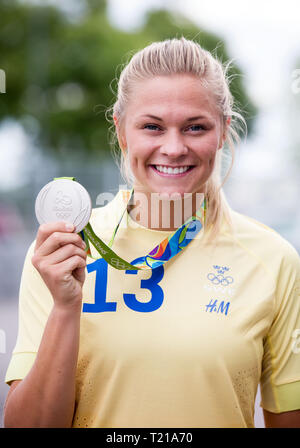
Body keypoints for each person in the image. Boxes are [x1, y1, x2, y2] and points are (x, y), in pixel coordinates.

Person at [3, 37, 300, 428]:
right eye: (152, 127)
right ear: (122, 131)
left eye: (195, 127)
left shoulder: (273, 259)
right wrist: (64, 309)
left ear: (223, 131)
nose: (174, 148)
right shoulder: (62, 251)